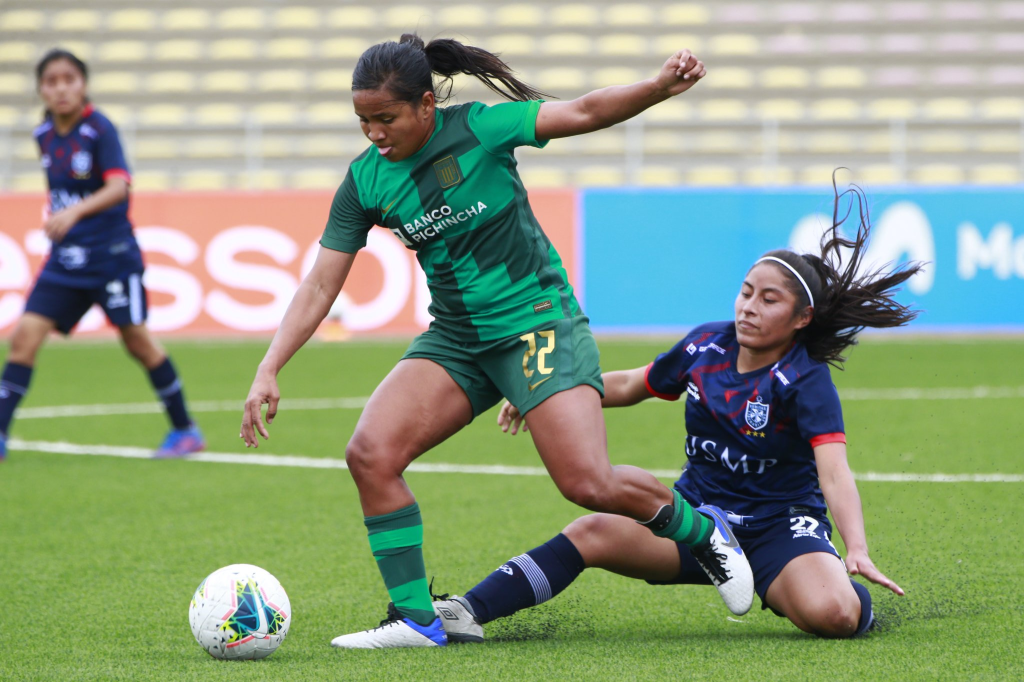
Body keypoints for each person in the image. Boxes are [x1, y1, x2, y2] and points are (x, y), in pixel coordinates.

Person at [240, 34, 754, 649]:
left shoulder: (482, 129)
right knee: (371, 454)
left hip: (538, 321)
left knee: (586, 483)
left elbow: (584, 112)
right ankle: (418, 620)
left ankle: (704, 533)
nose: (374, 133)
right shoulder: (365, 181)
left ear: (426, 106)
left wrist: (656, 87)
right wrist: (270, 366)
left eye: (386, 118)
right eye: (363, 120)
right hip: (458, 338)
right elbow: (323, 281)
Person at [433, 181, 916, 642]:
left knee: (835, 615)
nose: (749, 307)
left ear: (802, 319)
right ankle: (465, 612)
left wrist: (856, 548)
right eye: (747, 292)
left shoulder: (806, 379)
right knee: (592, 532)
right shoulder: (706, 344)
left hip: (778, 529)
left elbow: (834, 473)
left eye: (769, 300)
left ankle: (822, 586)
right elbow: (630, 384)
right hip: (698, 523)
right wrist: (551, 390)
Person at [0, 49, 204, 461]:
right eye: (51, 81)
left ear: (83, 84)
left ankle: (185, 430)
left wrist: (73, 211)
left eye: (69, 79)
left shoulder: (99, 129)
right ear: (41, 88)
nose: (60, 88)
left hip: (111, 257)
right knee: (23, 339)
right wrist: (63, 217)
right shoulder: (43, 134)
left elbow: (118, 187)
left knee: (138, 342)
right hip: (65, 261)